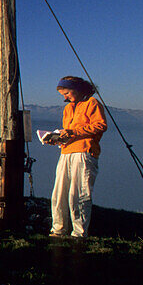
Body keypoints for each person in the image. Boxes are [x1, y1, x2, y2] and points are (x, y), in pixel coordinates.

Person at [47, 75, 107, 238]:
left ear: (78, 90)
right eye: (63, 95)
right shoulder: (68, 109)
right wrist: (59, 139)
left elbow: (100, 125)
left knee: (79, 193)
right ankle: (58, 229)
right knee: (59, 192)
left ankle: (79, 233)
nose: (65, 98)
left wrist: (73, 132)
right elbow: (70, 131)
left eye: (67, 93)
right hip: (66, 151)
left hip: (84, 151)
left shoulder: (92, 103)